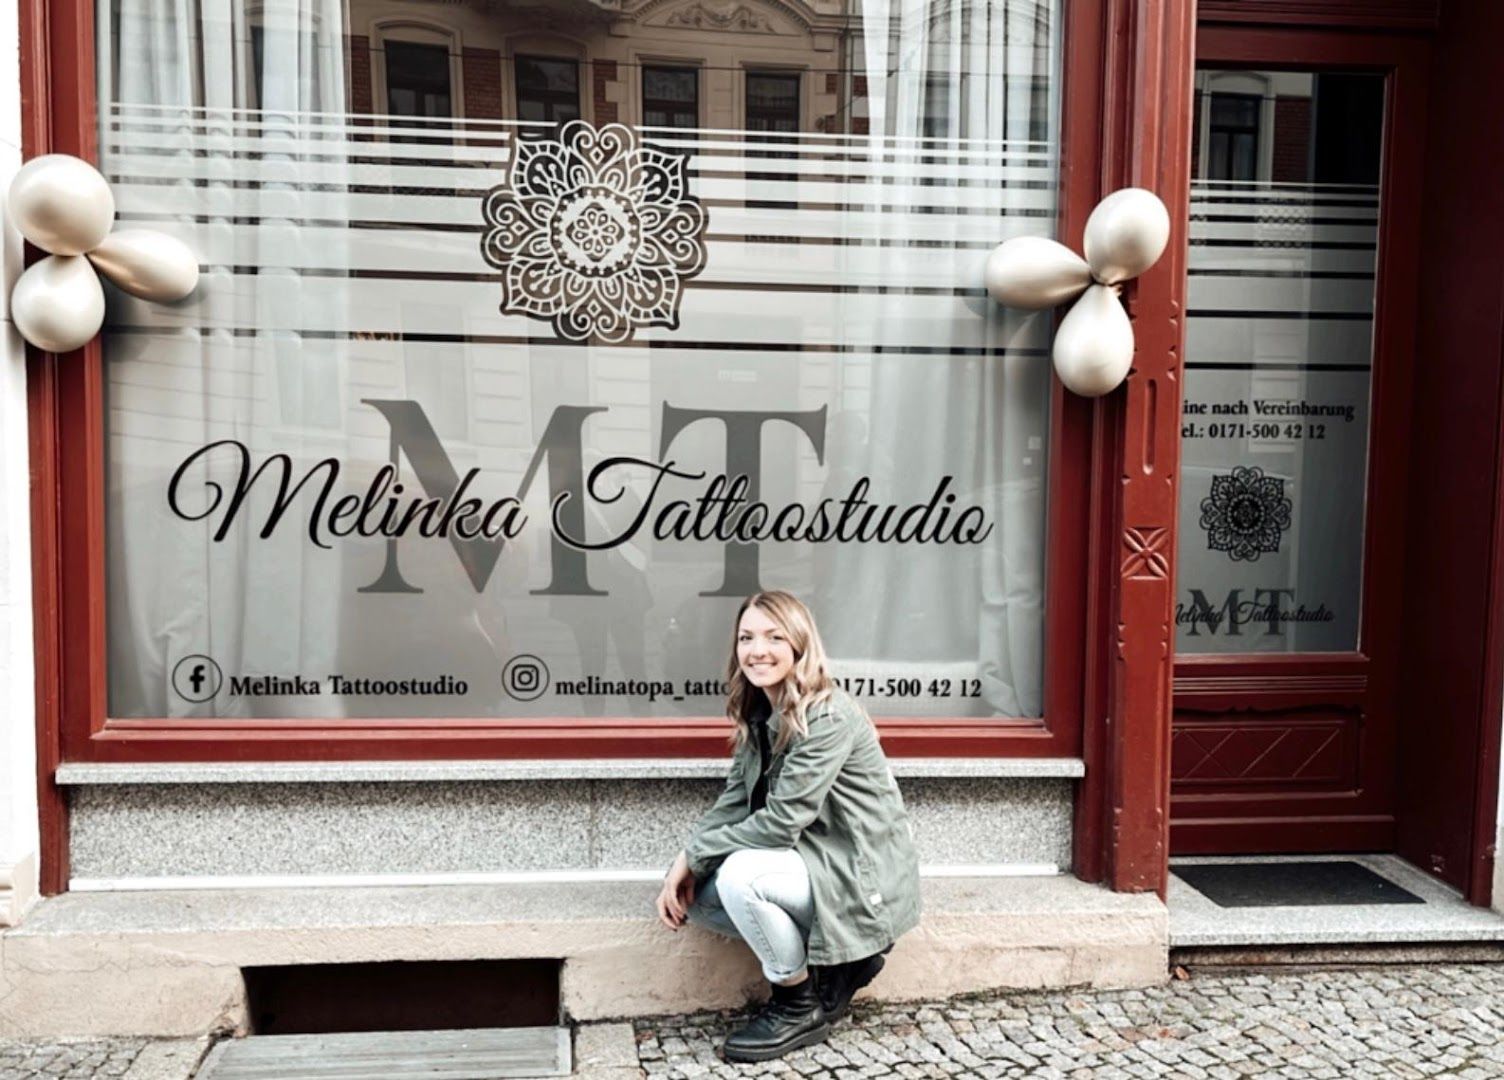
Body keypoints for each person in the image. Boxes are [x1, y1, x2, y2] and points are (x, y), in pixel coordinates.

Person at [655, 590, 922, 1063]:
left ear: (800, 644)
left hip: (856, 873)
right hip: (811, 863)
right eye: (746, 638)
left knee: (740, 878)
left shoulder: (828, 715)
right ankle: (840, 966)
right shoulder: (761, 713)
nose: (757, 650)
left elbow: (779, 825)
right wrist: (687, 862)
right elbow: (734, 801)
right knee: (698, 900)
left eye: (774, 637)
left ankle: (796, 1003)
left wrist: (692, 855)